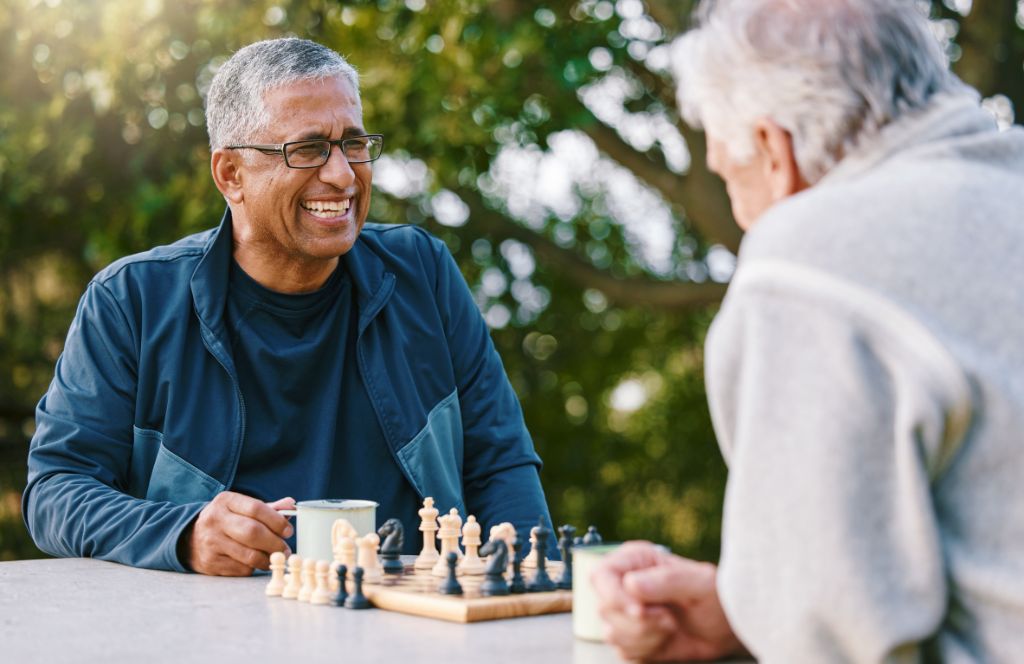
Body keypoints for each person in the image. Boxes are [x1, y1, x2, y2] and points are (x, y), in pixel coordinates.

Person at [592, 0, 1024, 661]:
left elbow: (834, 648)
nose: (737, 211)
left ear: (772, 149)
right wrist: (747, 612)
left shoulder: (808, 254)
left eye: (725, 172)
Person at [23, 38, 552, 576]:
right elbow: (55, 491)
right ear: (231, 174)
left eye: (354, 143)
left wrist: (532, 592)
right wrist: (181, 534)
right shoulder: (130, 300)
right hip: (209, 635)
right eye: (308, 149)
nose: (343, 175)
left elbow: (500, 463)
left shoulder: (424, 273)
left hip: (410, 624)